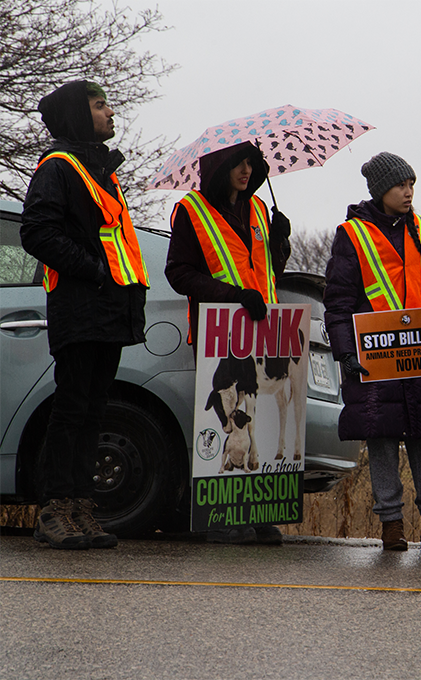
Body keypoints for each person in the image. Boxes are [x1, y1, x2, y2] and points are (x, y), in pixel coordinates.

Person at [21, 80, 149, 550]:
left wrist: (115, 286)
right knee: (72, 409)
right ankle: (55, 511)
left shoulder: (100, 171)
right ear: (78, 114)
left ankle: (80, 509)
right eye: (101, 105)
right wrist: (91, 269)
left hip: (109, 309)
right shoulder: (59, 167)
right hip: (81, 307)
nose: (111, 112)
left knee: (94, 410)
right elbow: (37, 232)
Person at [164, 140, 291, 545]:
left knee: (258, 420)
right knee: (224, 418)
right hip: (219, 332)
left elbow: (264, 270)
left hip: (260, 330)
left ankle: (255, 512)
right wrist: (232, 295)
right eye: (239, 163)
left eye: (251, 164)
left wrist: (280, 244)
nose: (247, 171)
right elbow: (179, 273)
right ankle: (221, 514)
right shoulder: (191, 210)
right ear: (219, 167)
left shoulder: (256, 209)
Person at [323, 152, 421, 551]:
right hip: (372, 358)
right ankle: (391, 526)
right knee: (380, 438)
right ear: (381, 191)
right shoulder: (353, 235)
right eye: (401, 185)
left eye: (412, 184)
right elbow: (339, 303)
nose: (409, 192)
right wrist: (346, 353)